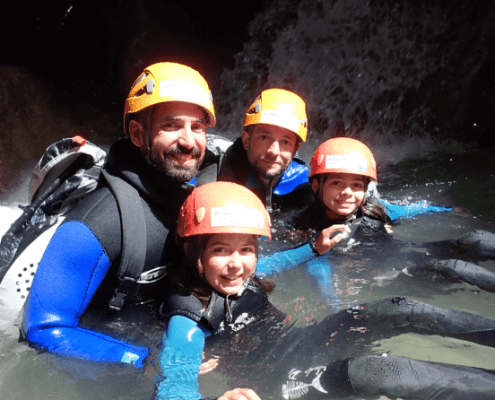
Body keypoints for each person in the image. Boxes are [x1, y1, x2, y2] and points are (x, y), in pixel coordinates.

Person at [155, 181, 495, 400]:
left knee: (399, 305)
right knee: (377, 371)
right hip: (279, 380)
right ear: (192, 251)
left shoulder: (244, 275)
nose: (236, 264)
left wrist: (314, 250)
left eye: (246, 249)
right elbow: (174, 386)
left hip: (307, 339)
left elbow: (277, 263)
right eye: (220, 250)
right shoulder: (187, 317)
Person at [20, 62, 217, 368]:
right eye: (172, 126)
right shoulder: (99, 221)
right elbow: (42, 330)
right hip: (108, 365)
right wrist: (145, 361)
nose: (189, 141)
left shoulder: (189, 198)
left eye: (198, 127)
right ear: (138, 135)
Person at [256, 137, 495, 303]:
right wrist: (334, 308)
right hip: (386, 279)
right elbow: (318, 271)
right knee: (453, 269)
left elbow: (410, 210)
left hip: (405, 257)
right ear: (317, 185)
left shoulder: (375, 211)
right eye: (337, 182)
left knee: (475, 240)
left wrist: (446, 209)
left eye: (356, 185)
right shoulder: (305, 230)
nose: (348, 192)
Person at [217, 88, 313, 211]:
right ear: (246, 140)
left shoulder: (304, 186)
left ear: (295, 148)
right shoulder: (217, 171)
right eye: (264, 138)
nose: (274, 151)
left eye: (285, 142)